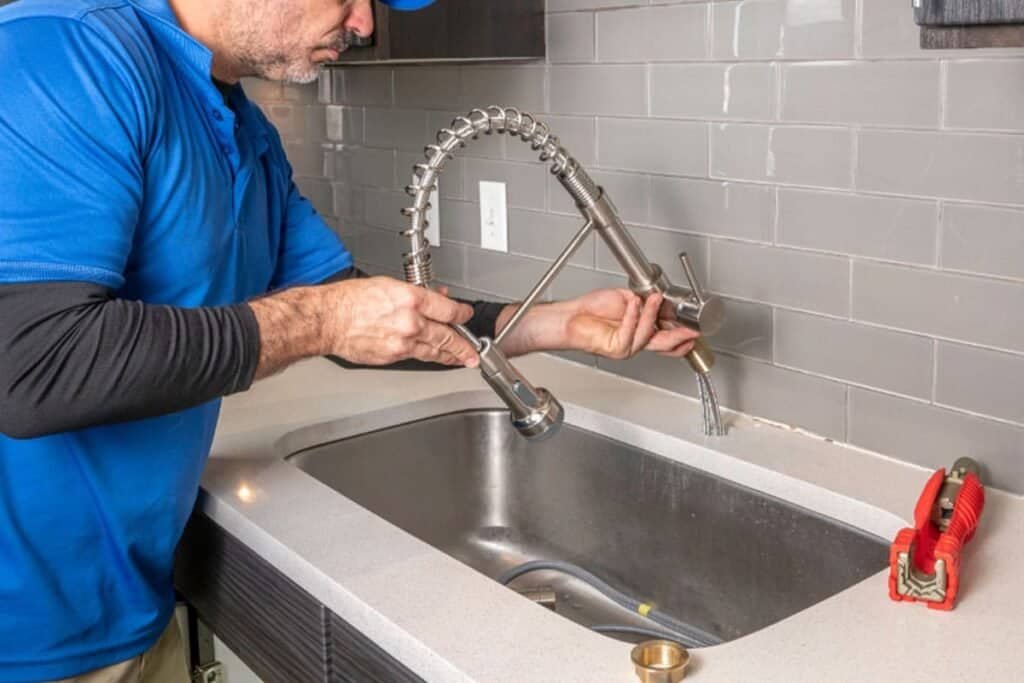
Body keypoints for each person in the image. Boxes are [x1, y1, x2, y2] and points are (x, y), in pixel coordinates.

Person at [0, 0, 699, 680]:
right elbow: (31, 365)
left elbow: (359, 308)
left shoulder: (241, 127)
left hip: (123, 606)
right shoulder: (63, 53)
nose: (365, 22)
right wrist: (321, 319)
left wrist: (556, 324)